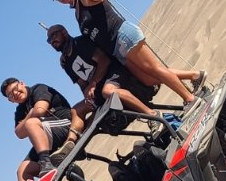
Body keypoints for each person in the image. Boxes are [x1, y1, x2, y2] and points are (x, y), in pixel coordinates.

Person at [50, 0, 203, 105]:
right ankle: (195, 76)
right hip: (116, 49)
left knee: (155, 69)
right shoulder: (77, 14)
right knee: (148, 78)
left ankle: (189, 99)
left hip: (122, 36)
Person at [46, 24, 175, 127]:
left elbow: (104, 61)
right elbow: (82, 83)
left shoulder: (81, 43)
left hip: (113, 72)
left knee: (108, 91)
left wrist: (93, 83)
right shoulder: (65, 62)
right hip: (97, 87)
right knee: (77, 110)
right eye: (49, 40)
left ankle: (152, 115)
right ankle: (72, 142)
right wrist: (87, 96)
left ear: (64, 32)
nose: (52, 41)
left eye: (54, 35)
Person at [2, 78, 79, 181]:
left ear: (22, 83)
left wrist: (28, 119)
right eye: (10, 95)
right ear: (10, 101)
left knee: (30, 124)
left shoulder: (38, 88)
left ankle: (46, 163)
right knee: (22, 170)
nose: (15, 93)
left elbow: (40, 110)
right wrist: (31, 113)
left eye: (15, 88)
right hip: (46, 139)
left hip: (64, 125)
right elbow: (19, 133)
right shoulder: (20, 111)